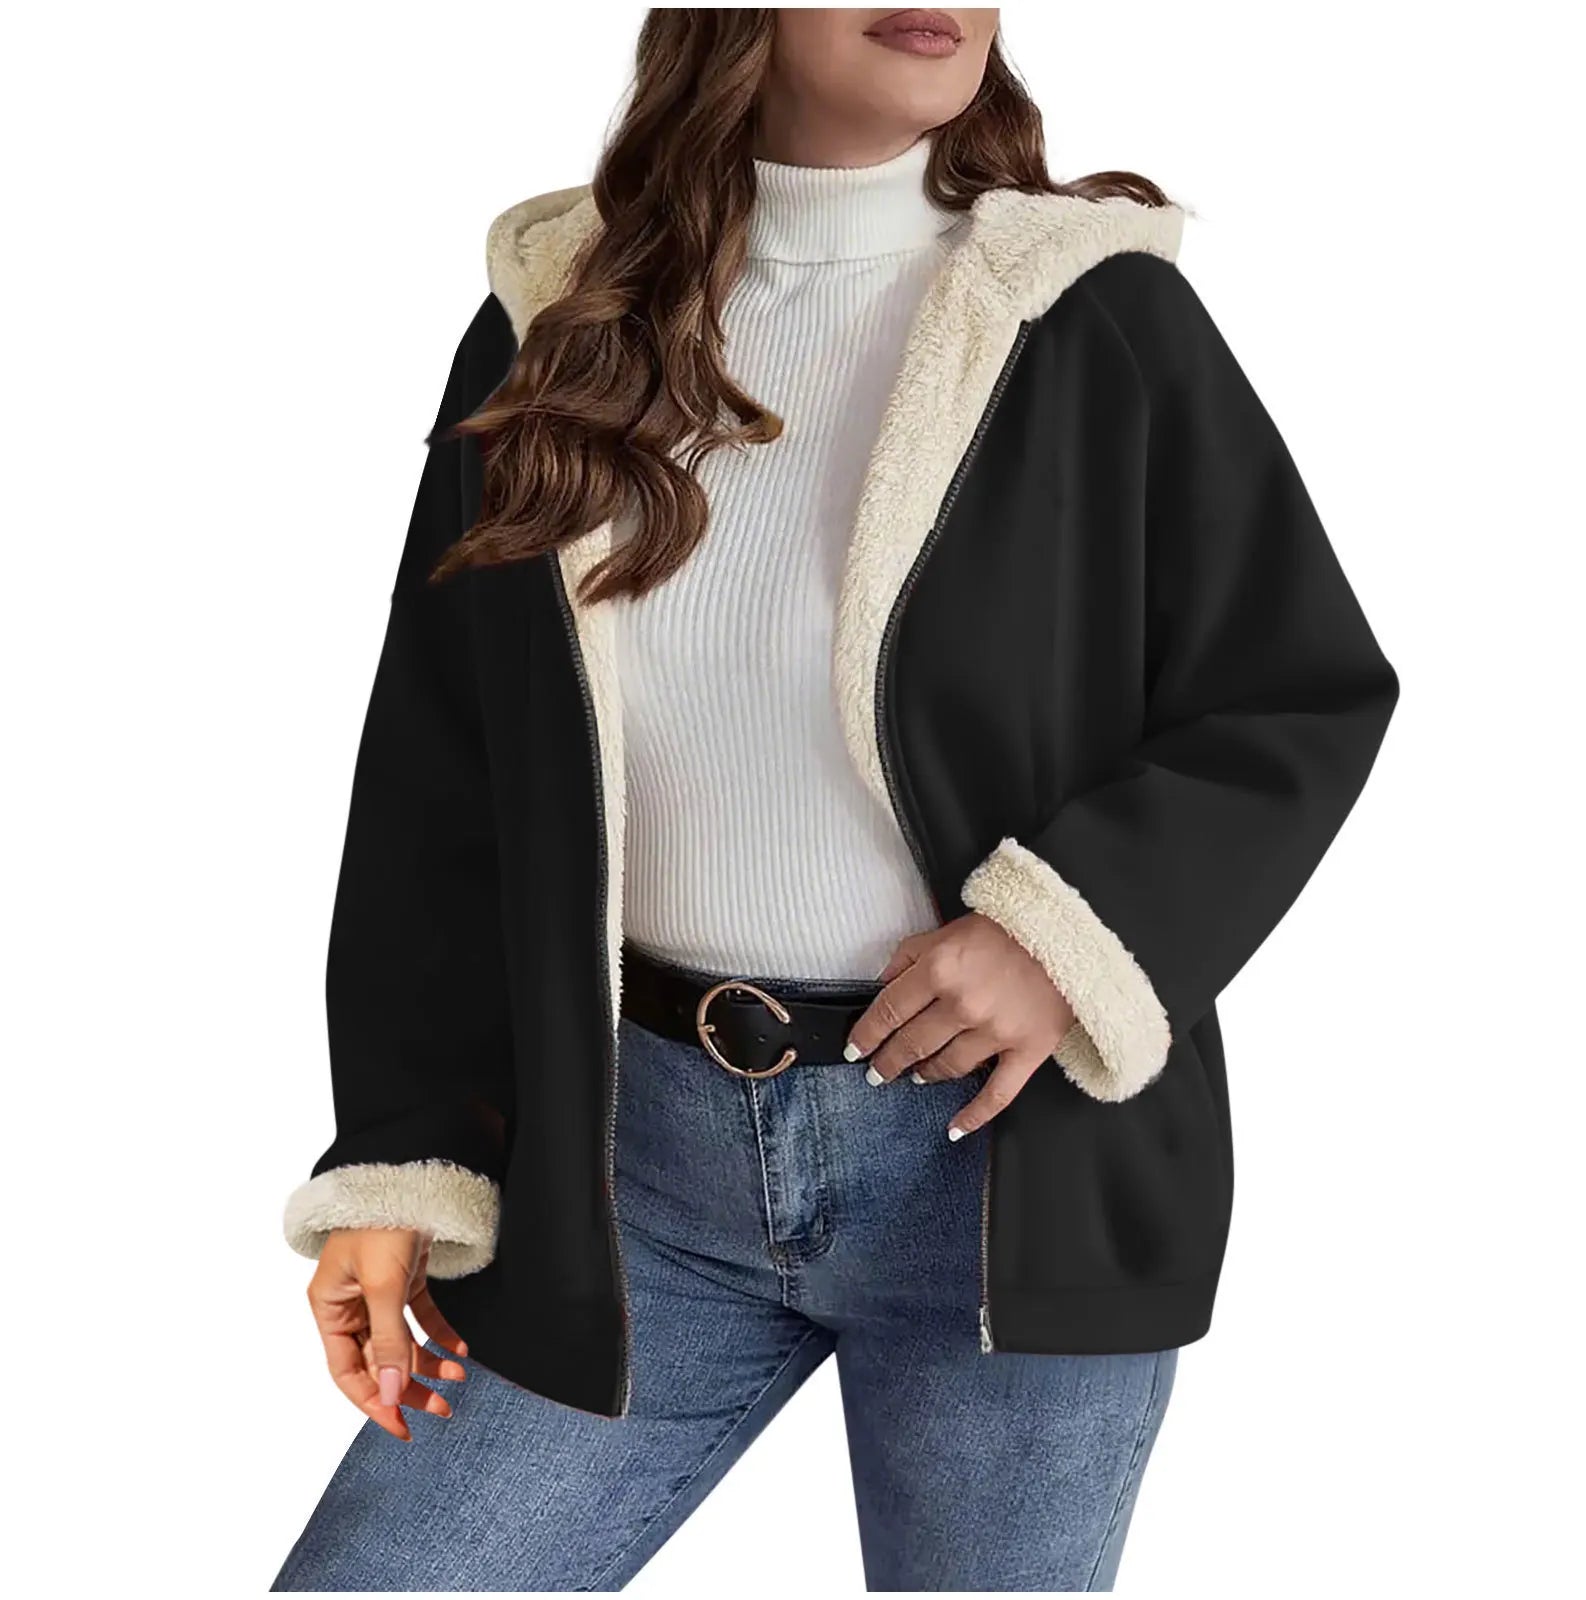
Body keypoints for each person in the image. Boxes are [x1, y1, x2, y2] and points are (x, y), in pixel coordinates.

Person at [272, 7, 1398, 1591]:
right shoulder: (555, 322)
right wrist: (406, 1154)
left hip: (997, 1177)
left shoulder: (1087, 314)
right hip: (630, 1182)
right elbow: (441, 776)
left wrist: (1060, 937)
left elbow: (1293, 687)